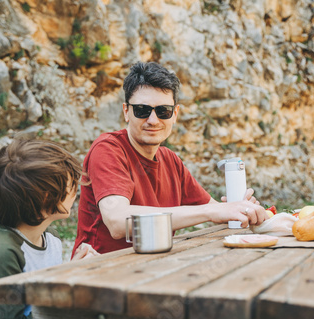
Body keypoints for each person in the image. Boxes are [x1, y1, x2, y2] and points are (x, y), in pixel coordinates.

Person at [72, 61, 268, 256]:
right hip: (98, 272)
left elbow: (214, 210)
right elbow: (117, 221)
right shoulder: (108, 149)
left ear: (175, 114)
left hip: (151, 268)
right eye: (142, 110)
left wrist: (240, 210)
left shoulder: (171, 160)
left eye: (163, 111)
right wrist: (213, 212)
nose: (153, 120)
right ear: (126, 111)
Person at [0, 139, 98, 319]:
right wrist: (68, 287)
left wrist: (71, 270)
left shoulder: (49, 237)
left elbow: (44, 290)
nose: (75, 190)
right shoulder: (0, 254)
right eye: (70, 185)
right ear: (45, 197)